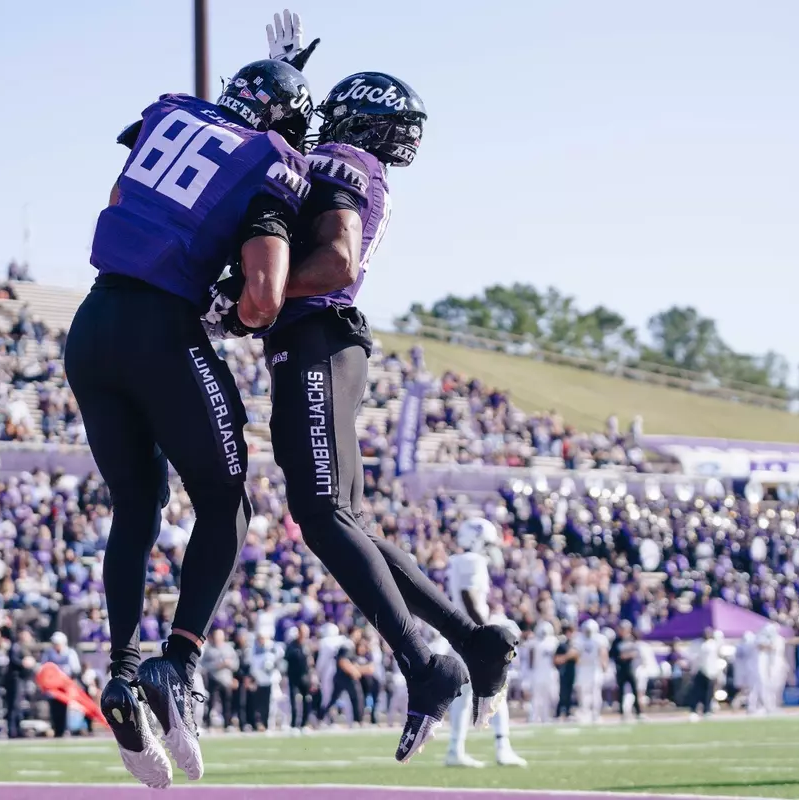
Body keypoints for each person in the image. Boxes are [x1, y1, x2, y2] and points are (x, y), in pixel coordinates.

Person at [226, 14, 513, 761]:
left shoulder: (345, 158)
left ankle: (426, 664)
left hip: (318, 336)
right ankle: (470, 639)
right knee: (344, 519)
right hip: (321, 341)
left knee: (320, 515)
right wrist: (283, 75)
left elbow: (336, 263)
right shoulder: (350, 158)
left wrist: (250, 299)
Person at [64, 48, 313, 789]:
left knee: (136, 504)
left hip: (92, 322)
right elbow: (264, 296)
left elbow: (118, 202)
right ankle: (181, 662)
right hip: (161, 332)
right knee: (226, 500)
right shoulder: (275, 160)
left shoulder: (169, 111)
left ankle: (119, 672)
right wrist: (228, 311)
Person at [444, 518, 525, 767]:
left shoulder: (458, 561)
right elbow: (469, 595)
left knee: (467, 695)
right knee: (496, 688)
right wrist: (487, 631)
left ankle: (456, 750)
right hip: (473, 634)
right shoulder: (472, 561)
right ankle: (502, 747)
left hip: (461, 634)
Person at [574, 619, 609, 724]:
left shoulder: (600, 639)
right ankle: (585, 712)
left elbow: (603, 652)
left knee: (595, 692)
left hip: (594, 667)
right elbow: (576, 653)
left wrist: (604, 665)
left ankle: (595, 713)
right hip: (583, 667)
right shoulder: (579, 639)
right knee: (583, 692)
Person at [613, 621, 644, 720]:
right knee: (621, 691)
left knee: (635, 690)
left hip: (631, 669)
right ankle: (622, 712)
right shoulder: (616, 641)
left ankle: (638, 711)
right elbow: (614, 655)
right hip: (621, 669)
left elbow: (636, 653)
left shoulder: (632, 639)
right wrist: (621, 657)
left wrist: (628, 656)